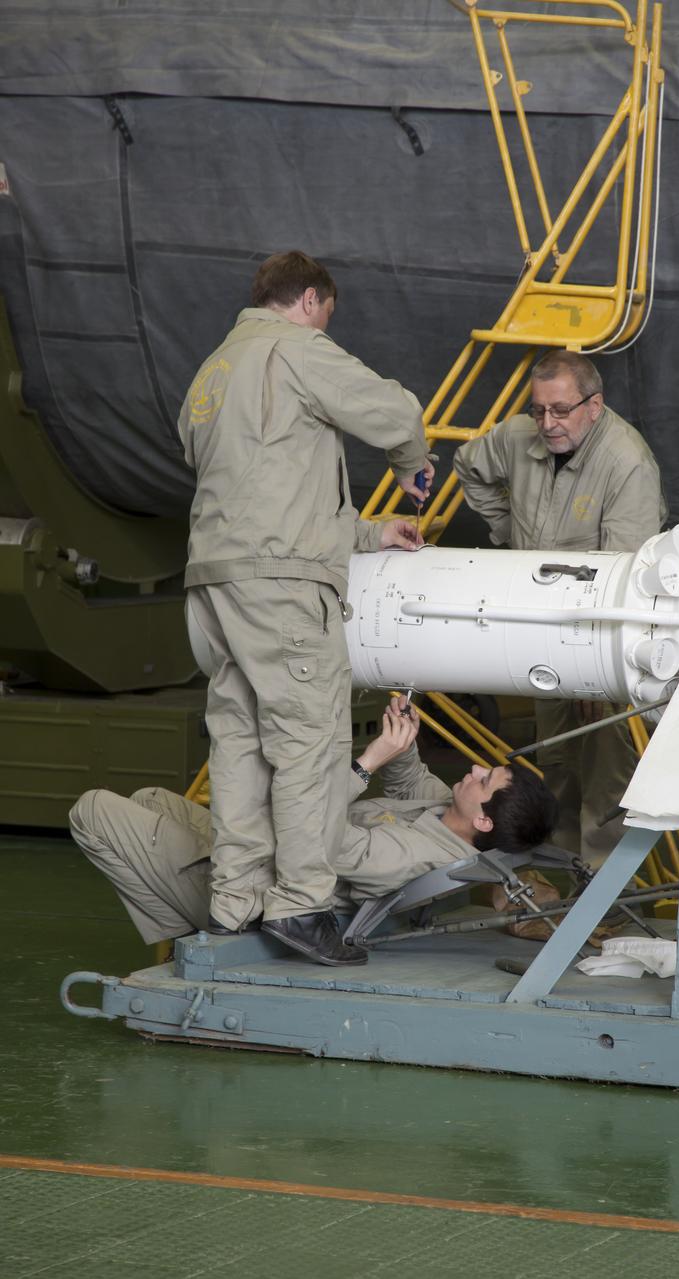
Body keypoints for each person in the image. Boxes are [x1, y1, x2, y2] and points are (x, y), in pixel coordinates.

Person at [177, 250, 434, 965]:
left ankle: (234, 900)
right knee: (308, 743)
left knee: (239, 741)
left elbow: (258, 487)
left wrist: (366, 531)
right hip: (282, 590)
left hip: (215, 583)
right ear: (312, 300)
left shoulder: (214, 370)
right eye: (327, 314)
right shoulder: (294, 349)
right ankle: (301, 905)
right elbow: (394, 411)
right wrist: (410, 465)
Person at [68, 699, 559, 964]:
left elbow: (319, 841)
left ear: (484, 822)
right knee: (150, 800)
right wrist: (403, 736)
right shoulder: (443, 814)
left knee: (92, 811)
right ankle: (179, 902)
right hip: (265, 853)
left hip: (258, 891)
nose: (474, 768)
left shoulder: (413, 857)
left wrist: (367, 763)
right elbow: (411, 781)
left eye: (484, 779)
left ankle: (195, 919)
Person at [454, 349, 665, 863]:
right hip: (543, 633)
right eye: (539, 410)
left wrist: (595, 669)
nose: (547, 424)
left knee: (606, 775)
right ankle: (558, 877)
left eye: (561, 410)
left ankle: (598, 901)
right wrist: (508, 532)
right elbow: (469, 465)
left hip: (598, 645)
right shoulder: (519, 436)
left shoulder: (627, 464)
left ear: (594, 406)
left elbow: (623, 581)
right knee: (558, 762)